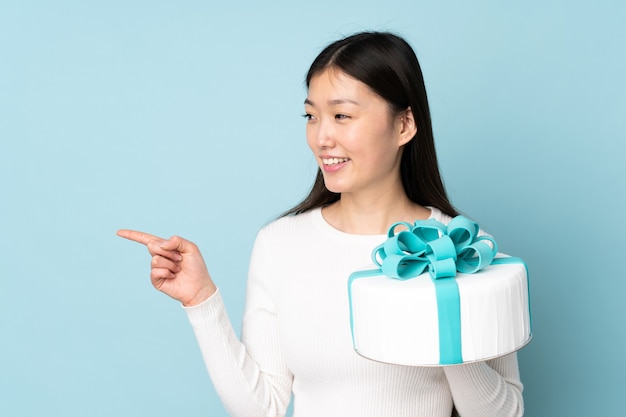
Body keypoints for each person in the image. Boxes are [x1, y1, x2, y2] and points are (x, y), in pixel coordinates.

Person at [117, 31, 524, 417]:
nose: (321, 137)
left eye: (342, 115)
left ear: (404, 125)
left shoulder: (466, 247)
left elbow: (505, 411)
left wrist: (445, 315)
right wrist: (201, 300)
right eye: (311, 116)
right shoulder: (280, 243)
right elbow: (264, 407)